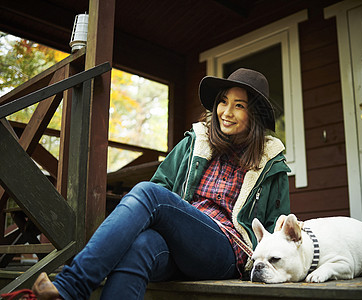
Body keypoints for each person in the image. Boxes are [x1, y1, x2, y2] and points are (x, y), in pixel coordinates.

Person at [31, 68, 291, 299]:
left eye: (239, 106)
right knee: (141, 245)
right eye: (223, 102)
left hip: (225, 251)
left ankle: (71, 286)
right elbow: (162, 187)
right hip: (179, 243)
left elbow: (277, 230)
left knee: (148, 193)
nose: (226, 112)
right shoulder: (194, 144)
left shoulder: (270, 164)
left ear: (254, 113)